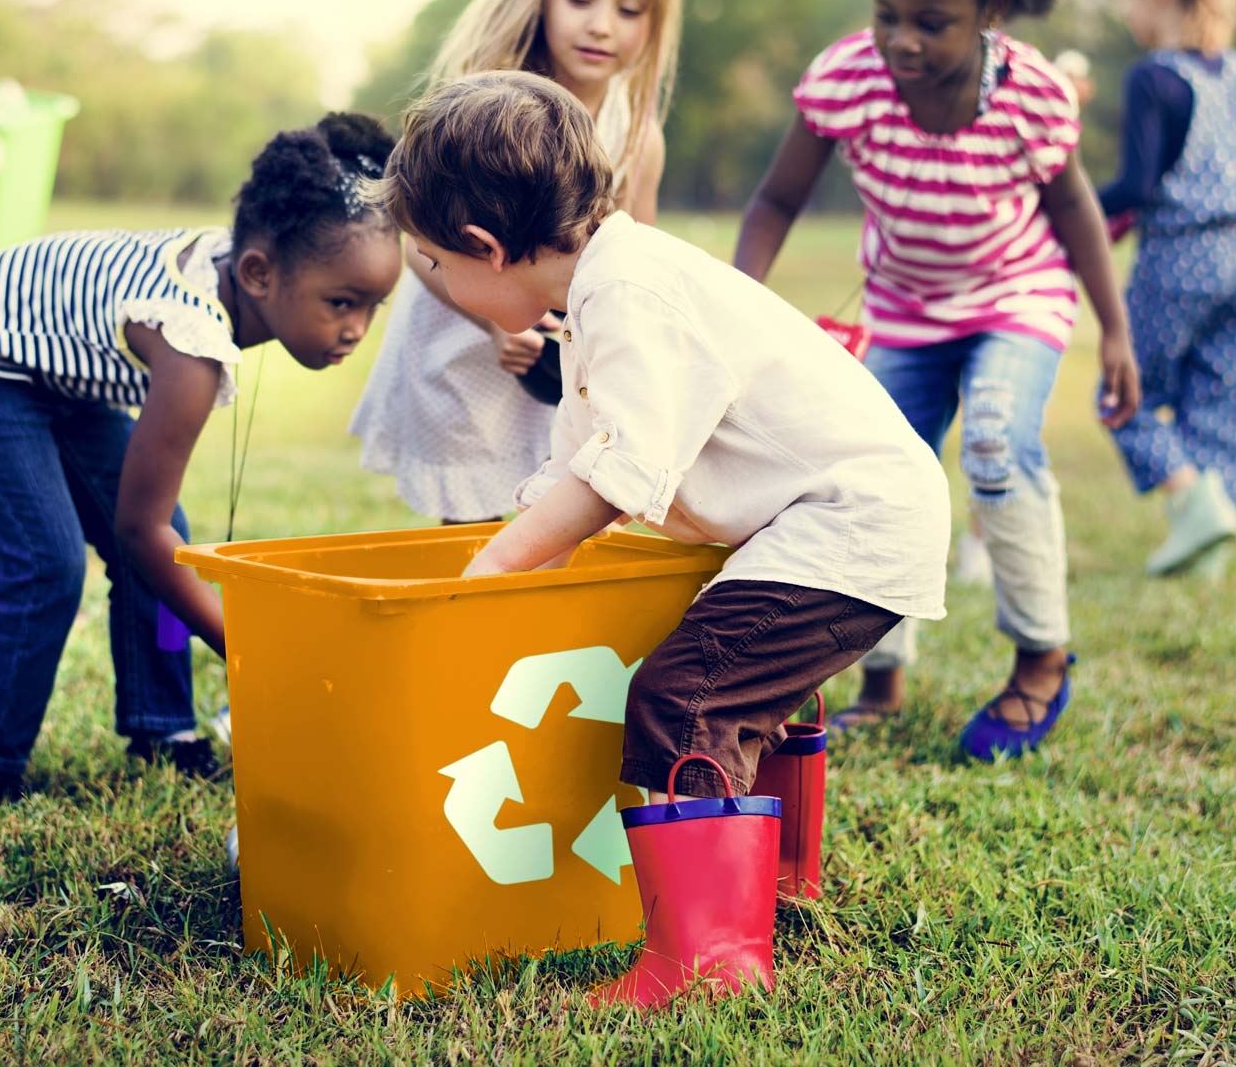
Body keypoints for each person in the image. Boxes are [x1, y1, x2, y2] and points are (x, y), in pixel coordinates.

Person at [376, 70, 948, 1003]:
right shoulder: (612, 286)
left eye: (434, 265)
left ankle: (712, 962)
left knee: (687, 700)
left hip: (850, 523)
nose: (437, 284)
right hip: (832, 521)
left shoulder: (632, 295)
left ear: (484, 246)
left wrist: (492, 568)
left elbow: (617, 473)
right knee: (747, 689)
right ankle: (776, 895)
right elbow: (574, 473)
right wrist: (520, 588)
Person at [733, 0, 1142, 761]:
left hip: (1015, 295)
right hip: (908, 312)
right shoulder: (848, 79)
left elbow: (1075, 210)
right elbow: (774, 200)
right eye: (887, 13)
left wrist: (1114, 329)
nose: (903, 41)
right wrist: (740, 308)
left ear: (993, 8)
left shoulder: (1030, 96)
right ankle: (883, 672)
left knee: (997, 440)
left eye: (932, 21)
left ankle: (1041, 660)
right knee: (879, 476)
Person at [0, 114, 403, 802]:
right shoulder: (190, 343)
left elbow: (152, 530)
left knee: (173, 542)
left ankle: (162, 728)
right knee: (46, 561)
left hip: (52, 373)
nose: (355, 329)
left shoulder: (238, 266)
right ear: (258, 273)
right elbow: (140, 530)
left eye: (374, 306)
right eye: (342, 302)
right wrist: (244, 647)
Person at [350, 0, 684, 524]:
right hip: (466, 346)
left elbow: (633, 267)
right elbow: (420, 241)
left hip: (561, 363)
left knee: (559, 517)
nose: (602, 25)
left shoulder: (637, 136)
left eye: (630, 9)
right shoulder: (482, 105)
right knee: (473, 528)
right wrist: (496, 324)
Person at [1098, 0, 1236, 576]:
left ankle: (1191, 506)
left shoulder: (1154, 77)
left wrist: (1067, 206)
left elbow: (1137, 185)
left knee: (1126, 396)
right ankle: (1207, 551)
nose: (1127, 11)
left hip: (1181, 258)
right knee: (1225, 407)